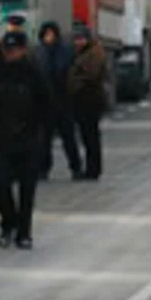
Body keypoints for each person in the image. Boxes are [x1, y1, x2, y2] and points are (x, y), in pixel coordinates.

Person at [0, 31, 50, 249]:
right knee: (2, 186)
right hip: (2, 139)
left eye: (15, 50)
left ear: (23, 50)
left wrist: (34, 128)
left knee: (27, 190)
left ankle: (24, 232)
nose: (11, 54)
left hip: (28, 139)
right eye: (8, 50)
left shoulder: (33, 73)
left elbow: (45, 103)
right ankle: (8, 224)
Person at [33, 21, 83, 181]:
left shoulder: (65, 52)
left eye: (52, 34)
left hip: (63, 101)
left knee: (68, 138)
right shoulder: (39, 53)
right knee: (44, 140)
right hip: (45, 102)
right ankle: (43, 168)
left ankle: (76, 167)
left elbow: (70, 73)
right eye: (47, 34)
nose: (49, 37)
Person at [67, 24, 109, 181]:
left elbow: (90, 75)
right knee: (87, 136)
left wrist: (74, 82)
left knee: (91, 137)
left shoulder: (94, 54)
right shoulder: (82, 53)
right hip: (82, 101)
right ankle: (91, 168)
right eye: (76, 39)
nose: (78, 42)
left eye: (81, 39)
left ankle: (93, 170)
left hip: (91, 101)